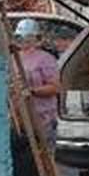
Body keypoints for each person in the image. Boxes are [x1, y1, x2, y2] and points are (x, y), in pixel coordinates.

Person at [14, 18, 60, 146]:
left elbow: (54, 87)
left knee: (45, 155)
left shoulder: (45, 58)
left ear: (35, 38)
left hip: (42, 117)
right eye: (21, 38)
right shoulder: (14, 57)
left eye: (28, 37)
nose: (24, 41)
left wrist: (32, 90)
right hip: (21, 117)